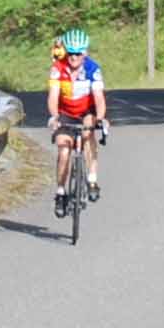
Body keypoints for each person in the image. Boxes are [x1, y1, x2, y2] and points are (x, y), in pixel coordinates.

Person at [46, 28, 107, 213]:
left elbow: (99, 98)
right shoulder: (58, 69)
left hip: (85, 111)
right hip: (65, 111)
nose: (73, 58)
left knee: (88, 135)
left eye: (78, 53)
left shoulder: (92, 69)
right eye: (70, 53)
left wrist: (101, 119)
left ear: (85, 52)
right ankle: (61, 192)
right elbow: (53, 97)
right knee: (64, 149)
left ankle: (92, 179)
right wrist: (55, 117)